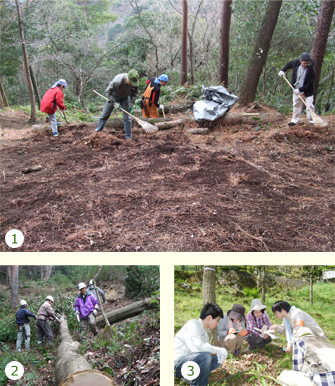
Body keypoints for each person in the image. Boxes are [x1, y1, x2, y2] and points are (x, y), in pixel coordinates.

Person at [174, 303, 228, 386]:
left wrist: (219, 354)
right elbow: (197, 347)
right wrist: (218, 349)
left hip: (188, 362)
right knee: (205, 356)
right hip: (177, 365)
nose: (217, 324)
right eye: (217, 320)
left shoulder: (204, 333)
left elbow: (205, 349)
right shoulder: (192, 324)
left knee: (216, 357)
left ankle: (192, 377)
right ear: (209, 317)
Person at [95, 69, 139, 139]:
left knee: (127, 117)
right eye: (131, 83)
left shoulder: (135, 81)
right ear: (127, 79)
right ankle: (98, 132)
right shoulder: (117, 81)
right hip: (113, 96)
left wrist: (131, 104)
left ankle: (128, 136)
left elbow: (135, 94)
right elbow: (108, 92)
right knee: (105, 114)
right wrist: (113, 102)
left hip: (125, 97)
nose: (132, 85)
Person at [278, 52, 316, 126]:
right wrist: (283, 70)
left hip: (307, 91)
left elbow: (309, 84)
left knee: (309, 106)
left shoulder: (312, 71)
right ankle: (295, 120)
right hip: (296, 89)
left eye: (307, 63)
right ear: (300, 61)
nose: (306, 65)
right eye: (304, 63)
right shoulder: (295, 63)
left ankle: (312, 121)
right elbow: (289, 64)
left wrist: (300, 90)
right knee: (296, 105)